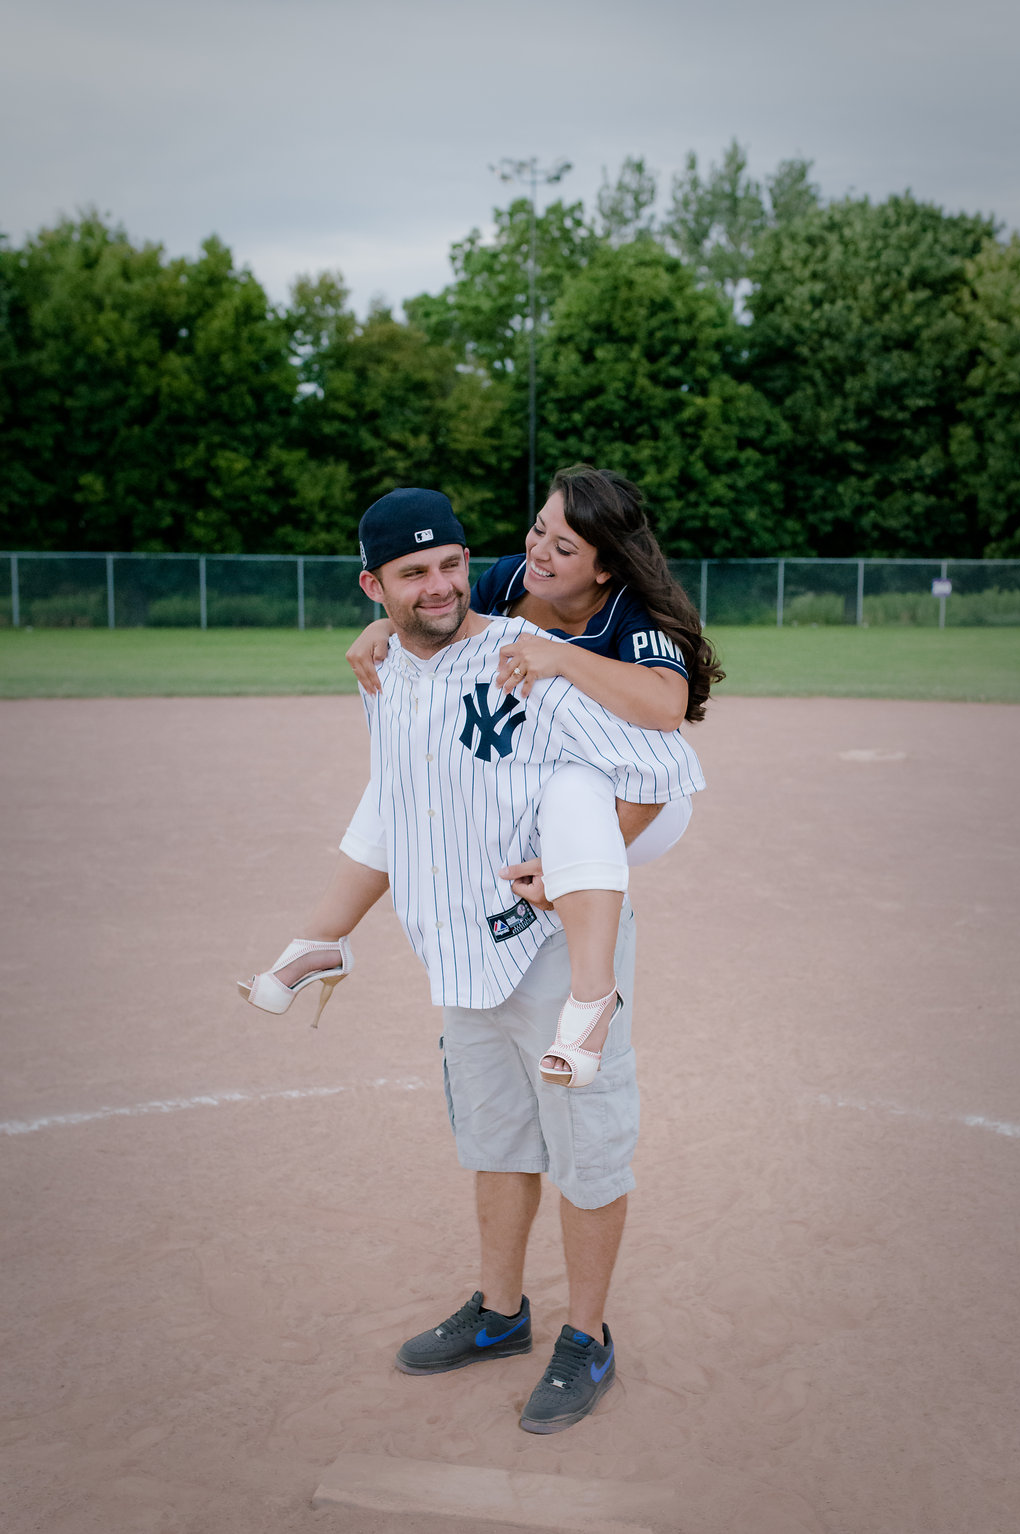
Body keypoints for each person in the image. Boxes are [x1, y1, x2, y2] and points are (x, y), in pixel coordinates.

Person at [238, 486, 705, 1433]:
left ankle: (586, 1336)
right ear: (373, 587)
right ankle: (500, 1315)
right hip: (465, 947)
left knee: (585, 1145)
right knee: (495, 1139)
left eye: (451, 564)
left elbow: (665, 763)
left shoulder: (531, 656)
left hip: (550, 935)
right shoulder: (392, 666)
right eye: (414, 573)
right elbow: (395, 806)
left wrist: (578, 867)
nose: (442, 585)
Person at [345, 465, 723, 1083]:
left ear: (604, 567)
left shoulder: (630, 611)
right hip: (552, 778)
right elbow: (446, 624)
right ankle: (324, 937)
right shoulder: (509, 578)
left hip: (641, 797)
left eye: (565, 547)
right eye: (539, 529)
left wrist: (562, 656)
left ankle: (592, 995)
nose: (540, 551)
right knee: (410, 766)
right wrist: (385, 622)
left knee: (574, 785)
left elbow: (665, 709)